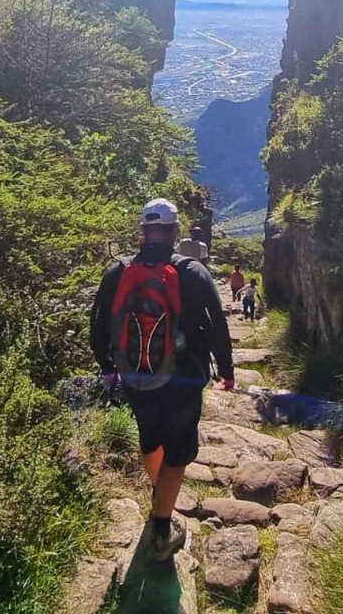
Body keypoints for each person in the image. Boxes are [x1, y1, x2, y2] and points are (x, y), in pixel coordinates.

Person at [91, 198, 233, 561]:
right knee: (179, 449)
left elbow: (98, 321)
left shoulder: (119, 271)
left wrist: (107, 366)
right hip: (182, 378)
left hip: (136, 374)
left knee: (149, 436)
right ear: (174, 231)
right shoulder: (190, 271)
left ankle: (160, 495)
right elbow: (217, 322)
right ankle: (160, 527)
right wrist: (226, 370)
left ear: (143, 231)